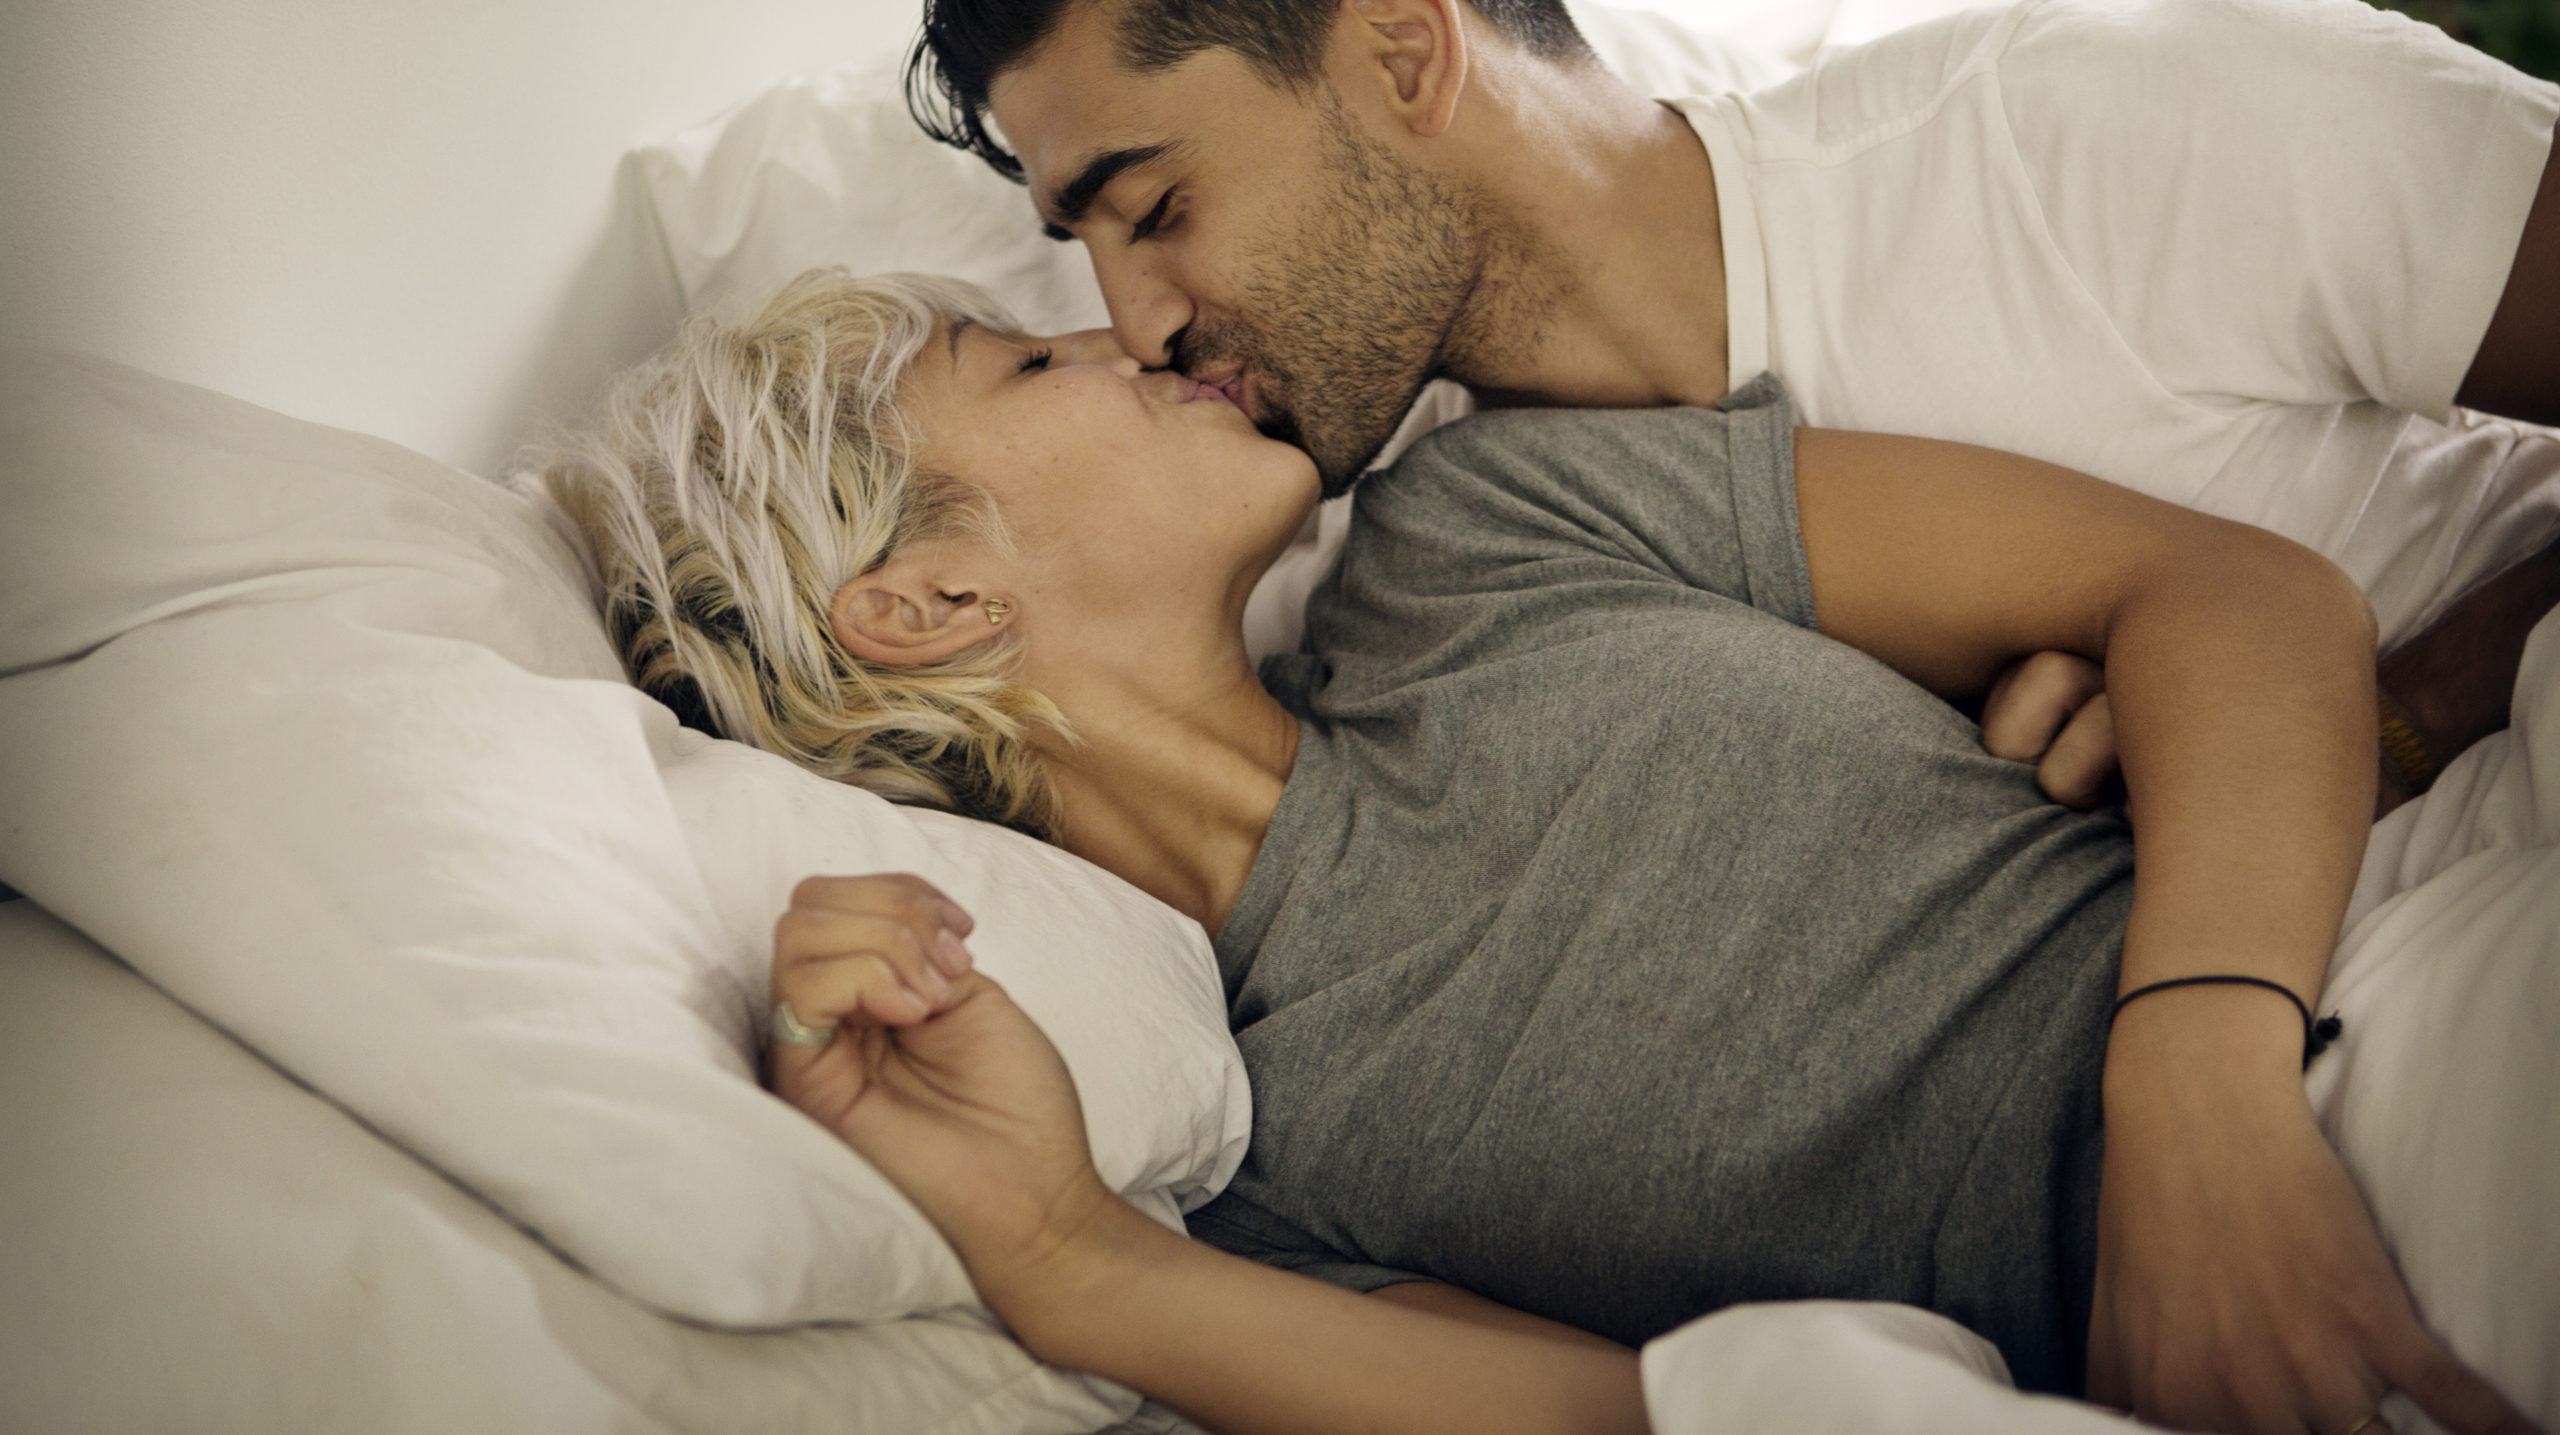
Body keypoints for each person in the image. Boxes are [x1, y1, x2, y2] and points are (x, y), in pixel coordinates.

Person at [541, 269, 2546, 1435]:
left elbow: (2229, 591)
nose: (1123, 326)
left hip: (2393, 980)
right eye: (1028, 362)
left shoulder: (1481, 526)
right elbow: (1637, 1420)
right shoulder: (1245, 1156)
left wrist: (2201, 1084)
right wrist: (1068, 1251)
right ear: (924, 602)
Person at [903, 0, 2560, 789]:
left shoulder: (2091, 131)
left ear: (1405, 51)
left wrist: (2393, 716)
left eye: (1156, 208)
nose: (1136, 325)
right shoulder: (1429, 572)